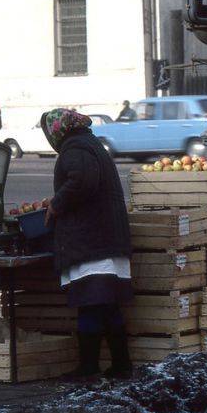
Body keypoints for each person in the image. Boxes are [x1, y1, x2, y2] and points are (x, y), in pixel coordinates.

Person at [40, 108, 134, 379]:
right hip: (106, 238)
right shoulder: (90, 143)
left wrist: (57, 204)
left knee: (91, 303)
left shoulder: (75, 148)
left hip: (91, 241)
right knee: (108, 305)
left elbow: (81, 181)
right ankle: (121, 365)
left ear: (57, 130)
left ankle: (89, 367)